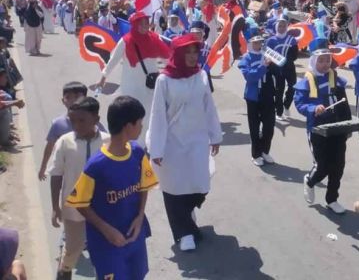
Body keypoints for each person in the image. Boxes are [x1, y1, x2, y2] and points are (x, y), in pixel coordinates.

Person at [65, 96, 157, 279]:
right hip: (107, 244)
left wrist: (140, 217)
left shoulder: (137, 153)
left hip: (134, 236)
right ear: (128, 126)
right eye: (139, 122)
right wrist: (107, 230)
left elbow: (144, 186)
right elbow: (80, 203)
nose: (141, 127)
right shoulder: (96, 166)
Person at [147, 34, 222, 252]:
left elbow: (209, 107)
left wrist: (215, 135)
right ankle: (184, 232)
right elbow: (158, 115)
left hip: (197, 141)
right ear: (177, 54)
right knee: (173, 187)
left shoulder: (201, 76)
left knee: (200, 185)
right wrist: (157, 148)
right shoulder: (164, 80)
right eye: (186, 52)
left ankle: (187, 212)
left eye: (194, 52)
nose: (191, 56)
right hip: (172, 143)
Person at [48, 97, 110, 280]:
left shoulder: (108, 142)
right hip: (73, 208)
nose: (76, 125)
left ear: (96, 119)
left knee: (105, 249)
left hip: (103, 208)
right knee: (73, 249)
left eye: (81, 120)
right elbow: (56, 175)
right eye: (72, 120)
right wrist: (55, 207)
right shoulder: (65, 142)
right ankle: (64, 272)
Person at [294, 38, 352, 214]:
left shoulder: (336, 79)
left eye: (328, 60)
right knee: (323, 166)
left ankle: (332, 199)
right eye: (321, 60)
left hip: (337, 128)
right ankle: (310, 181)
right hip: (318, 129)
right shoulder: (306, 81)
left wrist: (348, 126)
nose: (325, 63)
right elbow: (300, 104)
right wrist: (313, 108)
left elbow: (344, 104)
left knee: (339, 165)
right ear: (313, 61)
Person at [97, 12, 171, 131]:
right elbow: (113, 60)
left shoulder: (155, 38)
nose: (144, 26)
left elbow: (167, 58)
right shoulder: (126, 41)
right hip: (131, 86)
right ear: (135, 25)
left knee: (149, 115)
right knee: (132, 115)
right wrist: (103, 77)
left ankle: (146, 143)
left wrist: (178, 72)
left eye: (146, 23)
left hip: (150, 86)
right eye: (140, 24)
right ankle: (131, 143)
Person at [38, 82, 93, 181]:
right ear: (63, 100)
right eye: (68, 97)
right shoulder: (58, 124)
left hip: (88, 172)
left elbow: (105, 144)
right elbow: (49, 146)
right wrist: (43, 167)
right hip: (66, 172)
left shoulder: (93, 123)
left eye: (77, 97)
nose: (72, 101)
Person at [239, 34, 277, 167]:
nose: (258, 45)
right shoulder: (246, 58)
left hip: (267, 94)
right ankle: (255, 154)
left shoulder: (268, 55)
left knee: (269, 126)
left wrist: (275, 63)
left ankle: (265, 150)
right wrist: (264, 66)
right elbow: (249, 77)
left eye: (260, 42)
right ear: (250, 43)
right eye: (255, 42)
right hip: (253, 96)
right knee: (254, 127)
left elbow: (279, 72)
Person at [266, 16, 299, 121]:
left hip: (289, 69)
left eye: (284, 26)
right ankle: (279, 112)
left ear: (287, 27)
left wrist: (286, 61)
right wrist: (277, 62)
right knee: (278, 91)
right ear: (276, 27)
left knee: (293, 88)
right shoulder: (271, 40)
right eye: (279, 26)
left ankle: (286, 105)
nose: (282, 28)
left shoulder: (292, 40)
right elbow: (268, 56)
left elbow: (294, 56)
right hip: (277, 70)